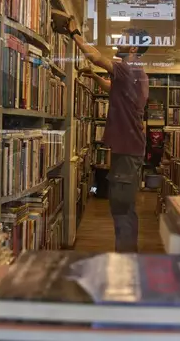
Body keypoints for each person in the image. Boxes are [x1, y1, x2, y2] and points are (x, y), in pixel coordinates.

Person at [64, 18, 149, 252]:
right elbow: (112, 89)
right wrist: (94, 77)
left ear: (133, 48)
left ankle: (126, 261)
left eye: (124, 39)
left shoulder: (128, 67)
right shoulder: (135, 73)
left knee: (122, 208)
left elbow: (95, 56)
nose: (119, 41)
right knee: (123, 207)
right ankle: (127, 256)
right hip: (129, 148)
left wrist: (75, 34)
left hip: (128, 149)